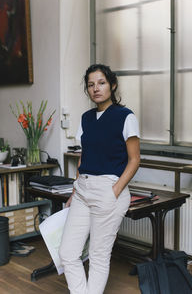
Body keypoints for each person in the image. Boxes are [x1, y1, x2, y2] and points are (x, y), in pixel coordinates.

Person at [59, 64, 140, 294]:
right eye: (91, 85)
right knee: (67, 253)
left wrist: (114, 191)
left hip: (108, 189)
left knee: (98, 256)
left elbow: (134, 159)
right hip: (83, 189)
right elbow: (83, 158)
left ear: (112, 85)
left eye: (101, 83)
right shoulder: (85, 118)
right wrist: (74, 193)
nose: (96, 88)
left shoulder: (126, 116)